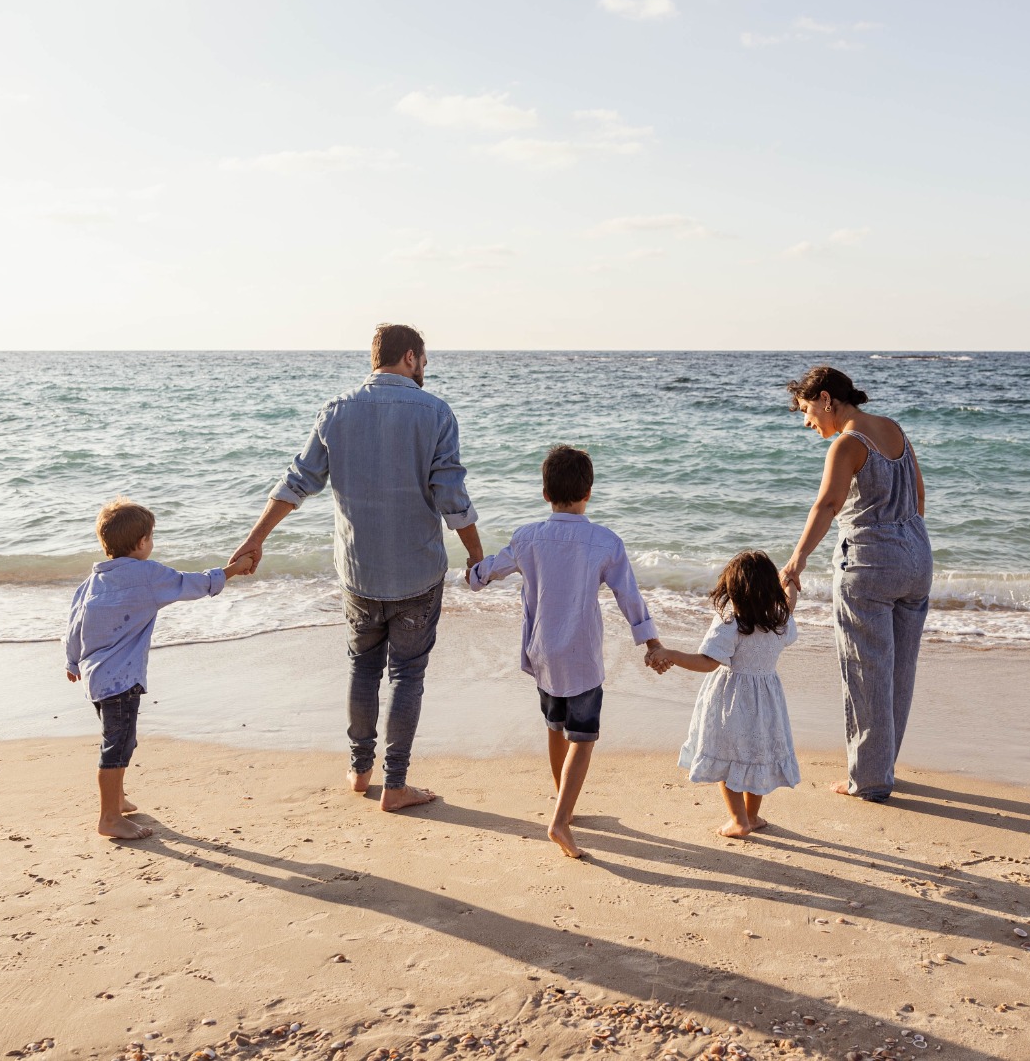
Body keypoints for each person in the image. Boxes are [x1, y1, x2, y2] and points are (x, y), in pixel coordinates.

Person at [231, 324, 482, 812]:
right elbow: (451, 497)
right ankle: (396, 784)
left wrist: (254, 540)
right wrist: (476, 556)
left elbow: (296, 483)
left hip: (359, 573)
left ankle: (359, 768)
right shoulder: (436, 413)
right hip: (416, 574)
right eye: (424, 361)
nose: (425, 369)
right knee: (407, 675)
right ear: (410, 357)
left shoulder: (336, 410)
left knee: (363, 666)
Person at [466, 445, 661, 858]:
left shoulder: (527, 536)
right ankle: (560, 820)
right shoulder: (605, 541)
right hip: (582, 656)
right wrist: (651, 641)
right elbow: (629, 596)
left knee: (556, 727)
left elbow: (487, 573)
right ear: (589, 491)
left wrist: (473, 573)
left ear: (544, 493)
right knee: (584, 737)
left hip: (543, 654)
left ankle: (562, 802)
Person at [779, 366, 932, 803]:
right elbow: (919, 495)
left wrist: (795, 561)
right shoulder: (893, 429)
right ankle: (883, 767)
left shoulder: (848, 444)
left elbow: (828, 505)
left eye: (808, 411)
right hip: (917, 558)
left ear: (827, 399)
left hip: (868, 565)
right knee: (900, 671)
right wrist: (904, 539)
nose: (808, 423)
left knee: (867, 672)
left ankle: (868, 780)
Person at [65, 498, 254, 840]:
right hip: (121, 679)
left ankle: (117, 799)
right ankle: (108, 817)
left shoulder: (93, 579)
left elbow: (74, 621)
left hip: (94, 677)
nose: (151, 544)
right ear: (141, 543)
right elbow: (191, 583)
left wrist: (71, 660)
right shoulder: (147, 575)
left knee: (121, 740)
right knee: (117, 745)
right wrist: (232, 570)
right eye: (150, 538)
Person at [649, 550, 801, 839]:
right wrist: (790, 580)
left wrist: (670, 654)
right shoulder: (779, 619)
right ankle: (752, 816)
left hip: (730, 701)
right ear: (770, 586)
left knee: (727, 758)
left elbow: (707, 662)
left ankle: (738, 820)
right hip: (766, 702)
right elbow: (790, 604)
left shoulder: (731, 622)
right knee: (756, 758)